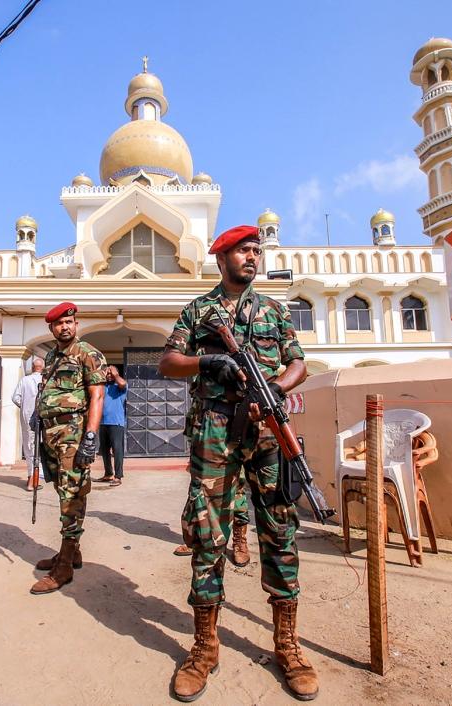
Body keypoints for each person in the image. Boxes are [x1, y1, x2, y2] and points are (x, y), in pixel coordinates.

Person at [159, 224, 318, 701]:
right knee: (208, 534)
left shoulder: (273, 309)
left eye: (257, 251)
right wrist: (208, 364)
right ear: (221, 257)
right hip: (215, 432)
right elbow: (168, 361)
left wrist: (277, 391)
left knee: (280, 529)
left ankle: (287, 645)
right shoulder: (198, 311)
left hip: (267, 430)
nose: (253, 258)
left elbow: (298, 361)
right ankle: (205, 647)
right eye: (244, 251)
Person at [30, 302, 107, 595]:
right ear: (52, 328)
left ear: (76, 324)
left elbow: (96, 395)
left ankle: (63, 565)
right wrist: (39, 412)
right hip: (50, 433)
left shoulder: (88, 353)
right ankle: (71, 552)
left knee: (71, 494)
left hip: (72, 434)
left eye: (70, 322)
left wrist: (90, 436)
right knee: (62, 489)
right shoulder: (50, 355)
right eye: (59, 323)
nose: (65, 327)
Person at [11, 356, 45, 491]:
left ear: (32, 368)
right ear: (43, 368)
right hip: (42, 418)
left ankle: (32, 477)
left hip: (27, 417)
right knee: (39, 448)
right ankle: (33, 479)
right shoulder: (45, 380)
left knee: (29, 447)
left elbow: (15, 398)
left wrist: (24, 407)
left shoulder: (24, 380)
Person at [93, 365, 127, 487]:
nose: (109, 376)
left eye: (110, 374)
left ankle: (118, 476)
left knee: (117, 450)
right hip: (102, 423)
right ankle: (108, 474)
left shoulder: (119, 386)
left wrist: (115, 374)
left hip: (116, 423)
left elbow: (123, 383)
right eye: (107, 374)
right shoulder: (102, 387)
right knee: (104, 451)